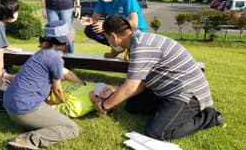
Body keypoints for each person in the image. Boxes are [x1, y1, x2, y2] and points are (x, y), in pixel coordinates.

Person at [94, 15, 226, 140]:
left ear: (112, 36)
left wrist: (105, 105)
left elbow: (131, 86)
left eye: (106, 37)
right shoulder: (139, 40)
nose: (109, 42)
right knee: (132, 106)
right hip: (168, 89)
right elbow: (140, 83)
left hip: (187, 93)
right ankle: (168, 111)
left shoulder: (141, 47)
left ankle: (210, 117)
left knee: (157, 131)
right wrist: (115, 99)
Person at [3, 20, 79, 149]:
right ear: (64, 41)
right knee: (72, 128)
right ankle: (29, 140)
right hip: (23, 110)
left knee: (50, 111)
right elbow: (58, 90)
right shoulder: (55, 58)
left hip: (10, 104)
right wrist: (64, 102)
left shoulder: (41, 54)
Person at [82, 0, 148, 59]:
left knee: (129, 60)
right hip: (117, 32)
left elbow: (134, 23)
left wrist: (106, 26)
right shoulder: (101, 0)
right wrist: (88, 20)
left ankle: (128, 48)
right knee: (90, 29)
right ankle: (118, 47)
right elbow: (95, 18)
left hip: (135, 31)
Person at [47, 81, 116, 118]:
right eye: (108, 88)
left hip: (47, 90)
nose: (111, 89)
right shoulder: (92, 88)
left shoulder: (77, 107)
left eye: (107, 90)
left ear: (99, 101)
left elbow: (51, 110)